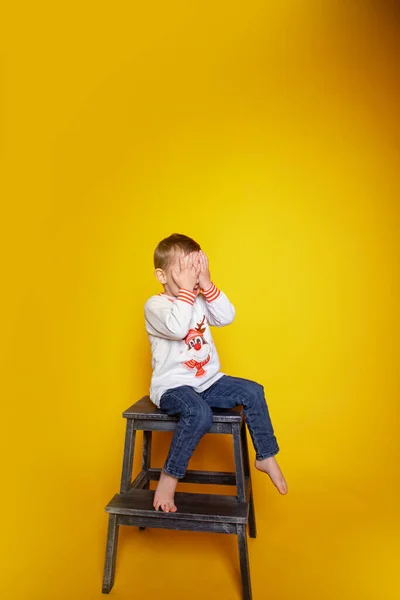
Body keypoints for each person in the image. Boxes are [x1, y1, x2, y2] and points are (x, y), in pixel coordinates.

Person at [144, 233, 288, 513]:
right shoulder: (156, 305)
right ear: (162, 275)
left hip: (207, 381)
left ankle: (266, 455)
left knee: (253, 391)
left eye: (196, 269)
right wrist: (187, 291)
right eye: (184, 271)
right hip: (173, 387)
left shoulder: (197, 297)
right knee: (198, 413)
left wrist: (206, 285)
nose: (191, 278)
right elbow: (177, 328)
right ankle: (169, 478)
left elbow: (226, 316)